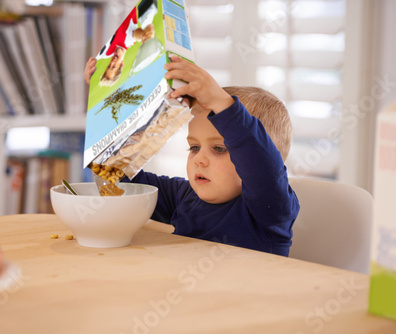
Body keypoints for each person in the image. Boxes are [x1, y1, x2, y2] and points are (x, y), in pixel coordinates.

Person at [84, 55, 300, 256]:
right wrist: (104, 102)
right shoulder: (183, 196)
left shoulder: (270, 208)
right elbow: (117, 178)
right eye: (194, 147)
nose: (199, 159)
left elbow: (260, 163)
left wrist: (220, 102)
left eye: (219, 149)